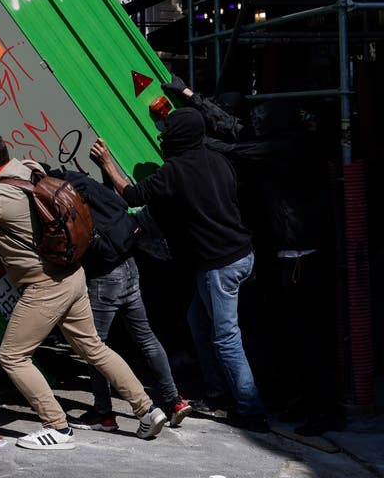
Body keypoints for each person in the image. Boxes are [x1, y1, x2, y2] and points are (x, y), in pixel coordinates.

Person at [0, 131, 167, 450]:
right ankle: (147, 410)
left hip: (45, 285)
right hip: (72, 274)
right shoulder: (29, 168)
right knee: (94, 347)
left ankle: (57, 428)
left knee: (12, 356)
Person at [167, 79, 342, 435]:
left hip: (301, 259)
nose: (255, 121)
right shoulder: (278, 141)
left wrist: (191, 141)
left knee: (307, 338)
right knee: (288, 336)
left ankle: (323, 410)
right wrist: (188, 96)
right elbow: (235, 128)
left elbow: (234, 148)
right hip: (284, 256)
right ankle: (302, 400)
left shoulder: (287, 148)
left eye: (263, 116)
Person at [91, 107, 267, 431]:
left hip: (219, 266)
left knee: (226, 337)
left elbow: (132, 195)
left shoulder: (175, 171)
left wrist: (106, 163)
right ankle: (217, 394)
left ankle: (251, 410)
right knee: (198, 322)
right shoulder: (218, 160)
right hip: (242, 255)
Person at [63, 170, 192, 433]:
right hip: (129, 267)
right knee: (146, 337)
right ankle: (174, 401)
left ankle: (103, 413)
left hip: (104, 278)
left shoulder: (67, 201)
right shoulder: (94, 190)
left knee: (95, 348)